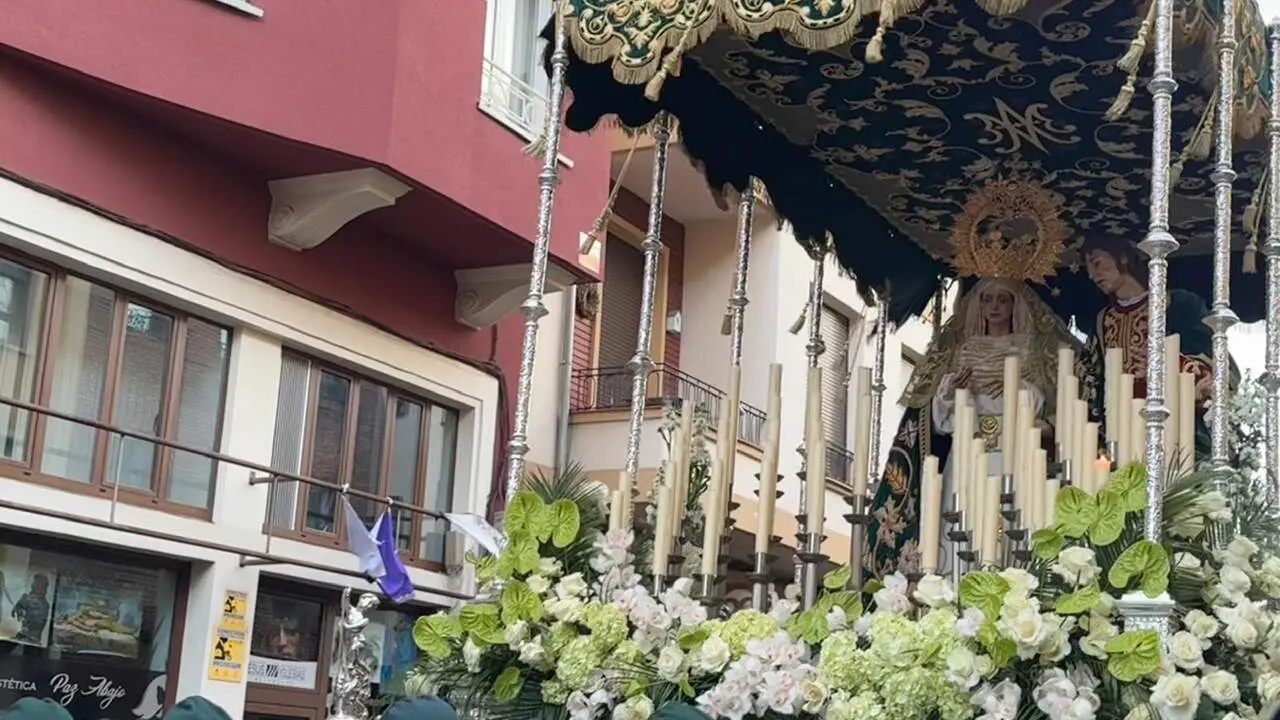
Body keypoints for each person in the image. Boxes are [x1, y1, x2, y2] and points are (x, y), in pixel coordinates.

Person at [866, 277, 1080, 578]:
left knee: (1011, 523)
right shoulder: (961, 350)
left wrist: (1017, 388)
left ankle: (1011, 585)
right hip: (967, 454)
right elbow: (939, 422)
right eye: (986, 299)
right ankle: (954, 587)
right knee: (960, 519)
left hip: (1013, 455)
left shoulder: (1032, 351)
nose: (993, 306)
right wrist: (950, 391)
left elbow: (1051, 409)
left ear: (1015, 305)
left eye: (1002, 299)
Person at [1079, 237, 1230, 460]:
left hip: (1175, 430)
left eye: (1097, 262)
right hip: (1119, 437)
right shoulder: (1102, 321)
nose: (1092, 275)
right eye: (1088, 268)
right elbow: (1091, 378)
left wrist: (1165, 363)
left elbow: (1209, 360)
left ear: (1123, 257)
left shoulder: (1178, 304)